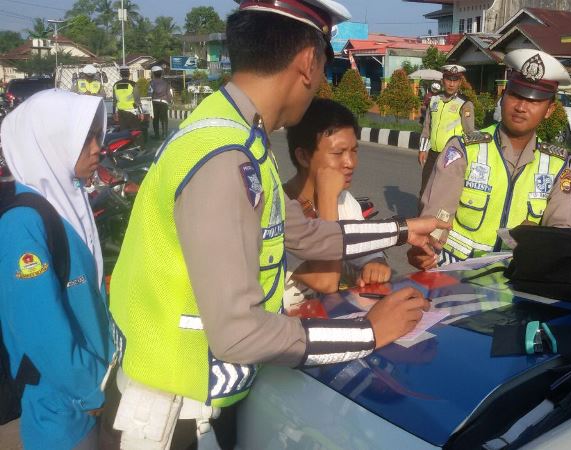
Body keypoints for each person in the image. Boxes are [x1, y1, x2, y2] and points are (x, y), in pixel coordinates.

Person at [105, 1, 448, 448]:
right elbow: (239, 333)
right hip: (170, 417)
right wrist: (367, 333)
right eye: (325, 68)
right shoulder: (223, 155)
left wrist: (403, 230)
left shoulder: (239, 135)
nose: (321, 82)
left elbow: (303, 234)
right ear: (307, 62)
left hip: (195, 399)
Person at [0, 90, 113, 449]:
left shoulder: (71, 201)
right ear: (50, 142)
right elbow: (40, 330)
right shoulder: (24, 224)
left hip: (91, 388)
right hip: (61, 407)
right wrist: (86, 391)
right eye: (86, 138)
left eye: (98, 135)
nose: (98, 147)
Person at [409, 49, 571, 270]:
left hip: (516, 280)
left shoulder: (556, 166)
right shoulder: (465, 149)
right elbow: (439, 214)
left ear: (549, 110)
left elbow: (563, 231)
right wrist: (429, 247)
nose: (521, 107)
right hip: (455, 272)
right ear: (503, 97)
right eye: (515, 95)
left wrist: (541, 239)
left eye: (533, 100)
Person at [282, 98, 392, 307]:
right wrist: (327, 197)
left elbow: (365, 251)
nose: (350, 163)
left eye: (354, 151)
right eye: (338, 153)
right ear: (304, 156)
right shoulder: (281, 210)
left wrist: (375, 264)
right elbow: (327, 280)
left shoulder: (345, 201)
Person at [418, 64, 475, 196]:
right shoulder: (434, 100)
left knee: (444, 195)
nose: (451, 84)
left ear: (460, 82)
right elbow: (427, 127)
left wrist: (467, 159)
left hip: (452, 157)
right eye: (449, 79)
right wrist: (422, 149)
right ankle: (421, 216)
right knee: (425, 191)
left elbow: (469, 133)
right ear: (443, 80)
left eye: (455, 80)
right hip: (432, 154)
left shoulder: (465, 104)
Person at [112, 66, 142, 132]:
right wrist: (141, 112)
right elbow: (137, 100)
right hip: (132, 112)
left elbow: (114, 101)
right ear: (129, 74)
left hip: (121, 113)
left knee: (124, 133)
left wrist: (114, 113)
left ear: (120, 75)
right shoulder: (133, 84)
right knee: (134, 132)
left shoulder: (115, 85)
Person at [148, 66, 172, 139]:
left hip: (155, 102)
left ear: (153, 74)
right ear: (161, 73)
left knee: (155, 120)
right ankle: (164, 134)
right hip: (164, 102)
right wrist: (169, 101)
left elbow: (149, 94)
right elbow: (170, 94)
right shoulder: (166, 83)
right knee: (164, 119)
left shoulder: (151, 83)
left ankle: (157, 135)